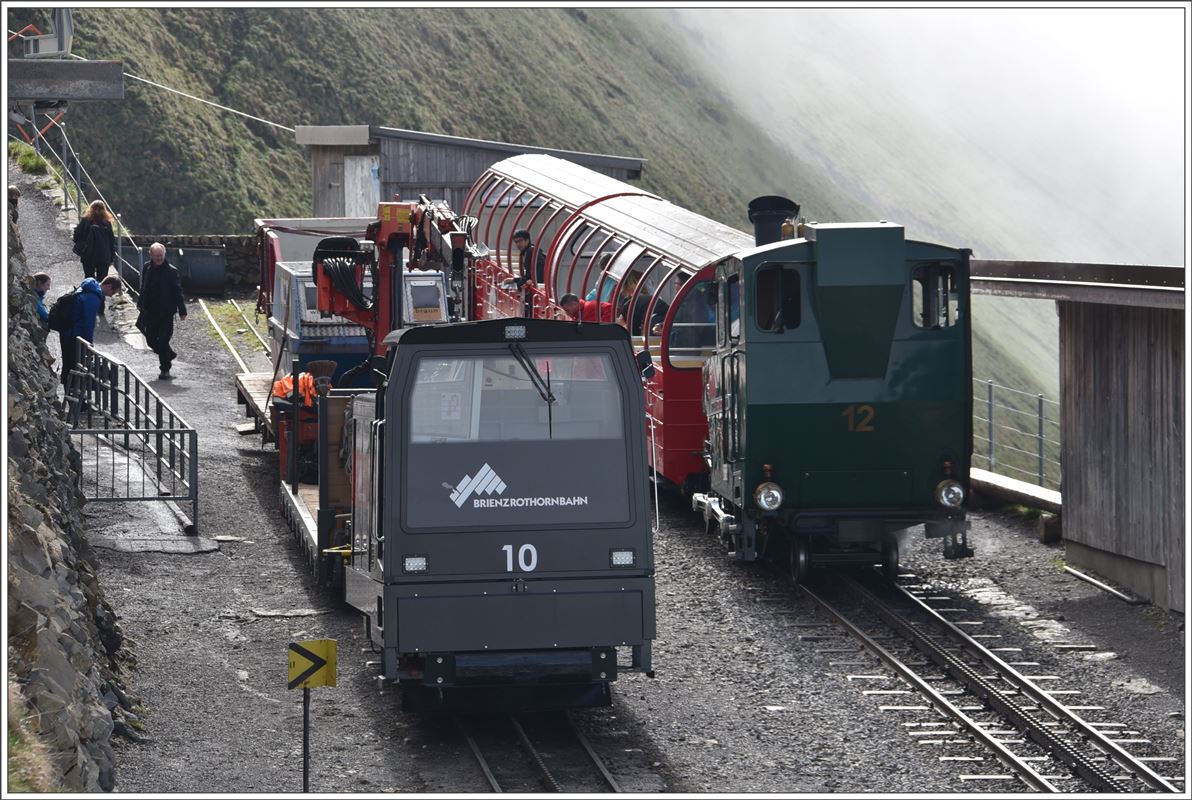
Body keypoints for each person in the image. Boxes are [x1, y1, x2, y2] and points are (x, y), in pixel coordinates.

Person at [59, 275, 122, 390]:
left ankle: (73, 397)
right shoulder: (93, 297)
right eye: (113, 292)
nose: (111, 295)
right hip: (74, 335)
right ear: (108, 286)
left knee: (69, 366)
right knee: (76, 368)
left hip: (67, 331)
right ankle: (78, 402)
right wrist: (89, 344)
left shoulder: (89, 287)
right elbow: (88, 322)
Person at [136, 242, 188, 379]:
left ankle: (165, 369)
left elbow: (178, 292)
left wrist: (182, 310)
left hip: (166, 312)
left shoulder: (172, 271)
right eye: (156, 255)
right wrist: (140, 303)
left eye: (161, 255)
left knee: (163, 340)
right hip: (150, 311)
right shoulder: (147, 267)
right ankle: (169, 354)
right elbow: (144, 287)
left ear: (164, 255)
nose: (159, 258)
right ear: (151, 255)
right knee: (151, 340)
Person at [72, 200, 117, 280]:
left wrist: (81, 244)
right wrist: (111, 257)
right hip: (104, 255)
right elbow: (111, 241)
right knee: (102, 280)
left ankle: (89, 291)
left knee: (89, 278)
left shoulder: (86, 220)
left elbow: (77, 235)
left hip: (88, 254)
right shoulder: (107, 223)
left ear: (90, 209)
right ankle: (99, 292)